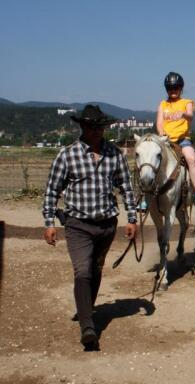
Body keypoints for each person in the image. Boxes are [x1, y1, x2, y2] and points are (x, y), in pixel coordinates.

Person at [42, 105, 137, 351]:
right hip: (78, 224)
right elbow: (52, 190)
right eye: (91, 127)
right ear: (82, 126)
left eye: (100, 127)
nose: (96, 131)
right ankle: (87, 326)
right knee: (82, 271)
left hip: (107, 223)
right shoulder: (67, 155)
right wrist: (49, 222)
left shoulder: (114, 154)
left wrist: (132, 218)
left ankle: (87, 310)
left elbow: (126, 187)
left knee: (95, 269)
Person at [139, 72, 195, 211]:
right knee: (148, 160)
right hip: (165, 140)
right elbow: (159, 123)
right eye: (169, 88)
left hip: (182, 140)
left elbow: (190, 116)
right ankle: (143, 196)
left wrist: (183, 114)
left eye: (175, 88)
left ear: (181, 88)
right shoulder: (163, 104)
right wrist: (162, 134)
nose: (172, 91)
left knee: (191, 159)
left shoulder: (187, 103)